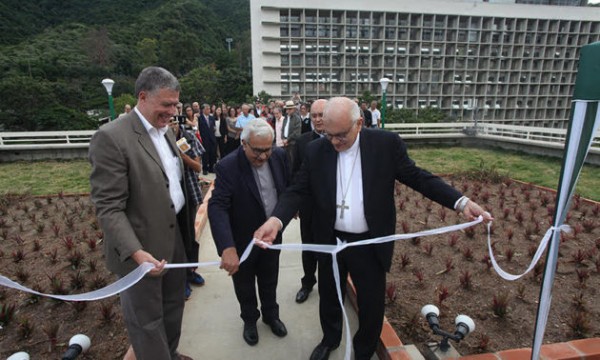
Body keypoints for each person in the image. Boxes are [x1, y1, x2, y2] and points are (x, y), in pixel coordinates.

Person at [254, 97, 492, 360]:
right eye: (328, 135)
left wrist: (461, 202)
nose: (333, 142)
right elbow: (297, 189)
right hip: (331, 240)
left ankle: (364, 351)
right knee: (330, 296)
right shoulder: (316, 150)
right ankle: (330, 339)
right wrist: (276, 221)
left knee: (370, 303)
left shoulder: (385, 145)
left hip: (369, 242)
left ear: (359, 123)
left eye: (340, 135)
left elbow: (418, 177)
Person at [89, 66, 194, 360]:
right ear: (143, 96)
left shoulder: (166, 132)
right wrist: (136, 253)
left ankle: (169, 354)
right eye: (166, 105)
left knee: (174, 306)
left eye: (175, 104)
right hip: (141, 250)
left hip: (175, 239)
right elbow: (108, 207)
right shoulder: (111, 137)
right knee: (146, 322)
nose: (173, 111)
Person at [208, 118, 290, 346]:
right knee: (244, 284)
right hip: (242, 239)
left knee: (270, 278)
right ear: (243, 143)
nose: (263, 157)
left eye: (267, 150)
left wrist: (286, 212)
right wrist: (227, 247)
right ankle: (250, 320)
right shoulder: (227, 166)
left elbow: (287, 185)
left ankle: (271, 316)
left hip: (272, 236)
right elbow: (218, 206)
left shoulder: (280, 156)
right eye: (257, 151)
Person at [292, 99, 327, 304]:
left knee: (327, 247)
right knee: (308, 246)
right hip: (308, 205)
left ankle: (327, 285)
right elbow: (295, 173)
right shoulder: (303, 141)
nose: (317, 119)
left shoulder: (338, 140)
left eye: (321, 115)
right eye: (314, 116)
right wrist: (295, 203)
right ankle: (307, 282)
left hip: (331, 208)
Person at [169, 117, 206, 300]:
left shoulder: (188, 138)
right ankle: (179, 278)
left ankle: (190, 271)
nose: (171, 125)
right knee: (174, 241)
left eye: (174, 121)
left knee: (189, 236)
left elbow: (198, 166)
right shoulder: (158, 141)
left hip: (188, 194)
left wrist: (181, 155)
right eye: (168, 121)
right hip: (167, 200)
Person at [198, 104, 217, 174]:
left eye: (209, 109)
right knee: (205, 154)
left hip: (212, 138)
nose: (209, 110)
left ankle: (211, 168)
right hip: (204, 138)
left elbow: (214, 127)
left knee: (212, 153)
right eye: (207, 109)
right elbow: (199, 129)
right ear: (203, 110)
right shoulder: (200, 118)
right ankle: (205, 169)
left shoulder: (212, 118)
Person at [282, 100, 302, 164]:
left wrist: (287, 140)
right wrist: (283, 138)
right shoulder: (285, 117)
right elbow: (283, 129)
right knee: (286, 161)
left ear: (294, 109)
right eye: (287, 109)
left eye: (290, 109)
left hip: (292, 144)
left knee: (292, 161)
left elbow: (296, 133)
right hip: (285, 143)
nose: (288, 111)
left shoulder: (297, 118)